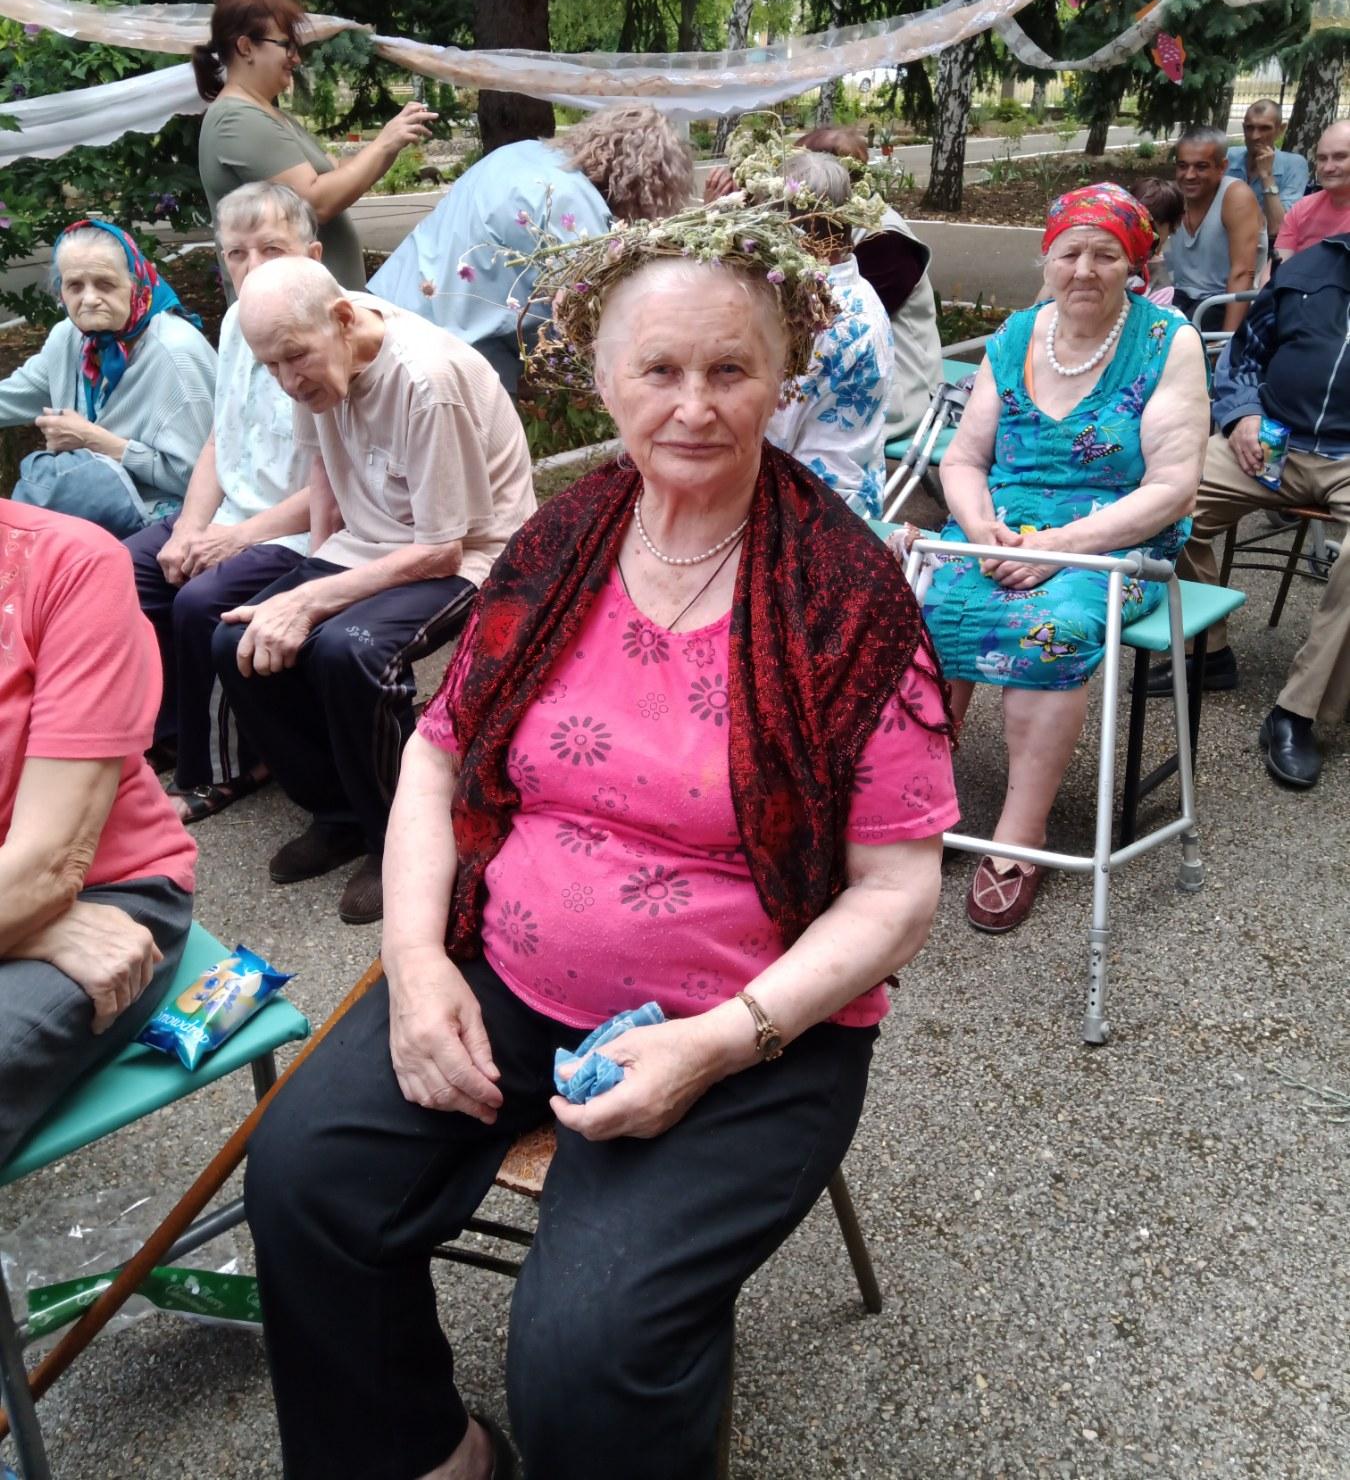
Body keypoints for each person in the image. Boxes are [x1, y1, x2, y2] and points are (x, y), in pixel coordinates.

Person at [242, 195, 956, 1480]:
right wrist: (415, 960)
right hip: (504, 971)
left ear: (784, 374)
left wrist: (718, 1043)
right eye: (659, 370)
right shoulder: (562, 541)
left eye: (731, 369)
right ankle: (429, 1453)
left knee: (588, 1346)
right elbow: (438, 754)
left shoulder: (849, 598)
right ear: (604, 377)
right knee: (303, 1181)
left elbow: (897, 893)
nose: (694, 405)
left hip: (748, 1031)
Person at [917, 184, 1208, 933]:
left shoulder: (1167, 341)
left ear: (1135, 266)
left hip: (1115, 537)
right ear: (1046, 259)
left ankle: (1021, 834)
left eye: (1105, 254)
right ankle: (922, 800)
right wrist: (981, 528)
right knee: (918, 610)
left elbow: (1173, 488)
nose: (1084, 269)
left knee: (1049, 628)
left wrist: (1058, 548)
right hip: (1001, 528)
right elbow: (964, 459)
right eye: (1069, 252)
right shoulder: (1017, 335)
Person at [212, 259, 536, 925]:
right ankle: (339, 815)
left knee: (349, 652)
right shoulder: (310, 350)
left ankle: (400, 837)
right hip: (370, 543)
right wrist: (309, 573)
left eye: (294, 360)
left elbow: (443, 548)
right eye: (270, 367)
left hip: (473, 553)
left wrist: (312, 601)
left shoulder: (425, 379)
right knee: (236, 640)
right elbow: (322, 469)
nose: (287, 380)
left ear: (343, 319)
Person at [0, 498, 196, 1168]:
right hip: (40, 916)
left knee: (222, 612)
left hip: (97, 889)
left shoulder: (66, 563)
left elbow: (45, 869)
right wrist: (26, 930)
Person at [124, 183, 320, 824]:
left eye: (272, 249)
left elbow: (339, 488)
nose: (252, 267)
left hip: (300, 531)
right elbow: (220, 437)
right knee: (123, 569)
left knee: (201, 602)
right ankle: (171, 730)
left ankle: (227, 766)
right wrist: (189, 526)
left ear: (313, 255)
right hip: (233, 516)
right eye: (237, 253)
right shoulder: (238, 323)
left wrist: (235, 539)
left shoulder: (327, 329)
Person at [1146, 227, 1350, 789]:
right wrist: (1241, 414)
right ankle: (1207, 651)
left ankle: (1299, 712)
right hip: (1272, 441)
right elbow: (1243, 355)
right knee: (1169, 498)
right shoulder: (1309, 269)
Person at [368, 103, 695, 392]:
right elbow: (588, 323)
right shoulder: (576, 209)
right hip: (445, 364)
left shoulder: (523, 152)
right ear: (647, 184)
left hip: (384, 312)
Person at [194, 0, 436, 292]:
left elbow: (337, 172)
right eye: (286, 45)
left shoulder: (266, 113)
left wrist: (392, 141)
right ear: (246, 47)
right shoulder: (237, 120)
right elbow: (315, 202)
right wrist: (385, 142)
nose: (296, 58)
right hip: (289, 312)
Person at [716, 124, 943, 442]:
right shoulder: (835, 234)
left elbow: (810, 327)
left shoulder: (885, 242)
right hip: (844, 393)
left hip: (897, 399)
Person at [0, 219, 216, 536]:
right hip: (96, 509)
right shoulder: (71, 338)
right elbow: (11, 397)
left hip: (172, 522)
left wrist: (96, 441)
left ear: (135, 284)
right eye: (75, 286)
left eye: (105, 284)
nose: (89, 299)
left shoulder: (175, 354)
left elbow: (202, 479)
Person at [764, 149, 894, 515]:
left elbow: (771, 430)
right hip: (856, 492)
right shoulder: (858, 290)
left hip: (809, 507)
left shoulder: (816, 314)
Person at [1164, 126, 1266, 328]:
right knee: (1150, 337)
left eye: (1201, 167)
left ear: (1222, 167)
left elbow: (1242, 273)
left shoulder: (1236, 196)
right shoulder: (1174, 196)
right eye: (1182, 166)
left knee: (1184, 340)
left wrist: (1228, 340)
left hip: (1221, 302)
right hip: (1179, 299)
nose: (1189, 175)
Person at [1226, 99, 1310, 245]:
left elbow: (1277, 228)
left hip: (1266, 248)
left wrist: (1267, 176)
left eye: (1265, 128)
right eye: (1249, 128)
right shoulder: (1229, 157)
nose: (1255, 136)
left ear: (1280, 129)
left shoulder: (1294, 165)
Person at [1273, 120, 1350, 259]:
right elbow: (1277, 266)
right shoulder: (1302, 208)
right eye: (1322, 158)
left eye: (1340, 157)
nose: (1328, 168)